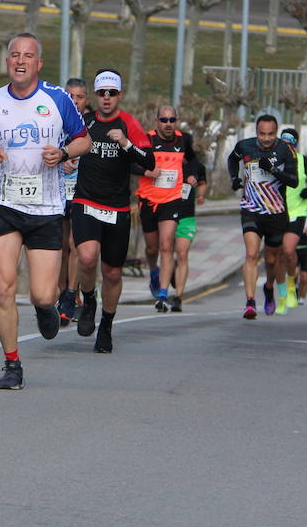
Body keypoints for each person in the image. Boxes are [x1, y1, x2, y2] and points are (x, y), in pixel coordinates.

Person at [0, 33, 90, 390]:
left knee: (41, 293)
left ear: (39, 63)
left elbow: (84, 139)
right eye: (14, 55)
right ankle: (12, 364)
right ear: (7, 61)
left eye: (28, 56)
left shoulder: (57, 99)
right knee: (3, 288)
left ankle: (45, 308)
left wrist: (65, 154)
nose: (20, 61)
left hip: (47, 207)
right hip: (3, 203)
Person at [68, 69, 154, 354]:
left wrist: (126, 144)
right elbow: (63, 146)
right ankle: (89, 299)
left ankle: (106, 325)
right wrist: (65, 159)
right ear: (96, 95)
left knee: (113, 273)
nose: (106, 98)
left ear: (120, 95)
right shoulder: (85, 121)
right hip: (86, 202)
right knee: (88, 257)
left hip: (117, 208)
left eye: (112, 93)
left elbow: (149, 161)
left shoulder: (129, 124)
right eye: (102, 92)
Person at [226, 114, 298, 319]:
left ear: (276, 132)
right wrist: (234, 178)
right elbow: (232, 159)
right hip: (251, 208)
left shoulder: (286, 151)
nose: (266, 139)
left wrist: (274, 170)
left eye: (271, 134)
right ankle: (250, 302)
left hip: (276, 212)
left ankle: (268, 287)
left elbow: (293, 182)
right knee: (251, 254)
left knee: (272, 261)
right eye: (262, 134)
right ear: (256, 132)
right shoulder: (245, 146)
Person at [138, 105, 195, 312]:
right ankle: (154, 270)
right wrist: (147, 171)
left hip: (172, 199)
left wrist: (191, 174)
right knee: (152, 248)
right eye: (164, 120)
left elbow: (193, 159)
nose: (168, 124)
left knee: (166, 245)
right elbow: (132, 164)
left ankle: (163, 294)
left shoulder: (183, 140)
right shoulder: (148, 140)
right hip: (148, 200)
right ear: (157, 122)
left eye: (172, 120)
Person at [57, 77, 90, 326]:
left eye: (79, 97)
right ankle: (63, 295)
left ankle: (72, 294)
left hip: (82, 192)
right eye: (70, 96)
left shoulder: (89, 126)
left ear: (86, 100)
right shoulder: (54, 121)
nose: (75, 101)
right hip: (57, 192)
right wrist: (62, 159)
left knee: (75, 246)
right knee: (61, 248)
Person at [276, 126, 307, 313]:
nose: (286, 147)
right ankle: (282, 295)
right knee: (277, 256)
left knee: (288, 250)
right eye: (283, 143)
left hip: (298, 211)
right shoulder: (275, 161)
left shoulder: (303, 161)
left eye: (289, 144)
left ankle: (292, 284)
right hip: (277, 211)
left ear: (295, 145)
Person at [170, 153, 208, 312]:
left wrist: (200, 194)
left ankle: (178, 297)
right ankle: (172, 271)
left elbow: (203, 183)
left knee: (183, 253)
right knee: (166, 252)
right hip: (166, 214)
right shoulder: (168, 161)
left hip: (187, 216)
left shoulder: (197, 165)